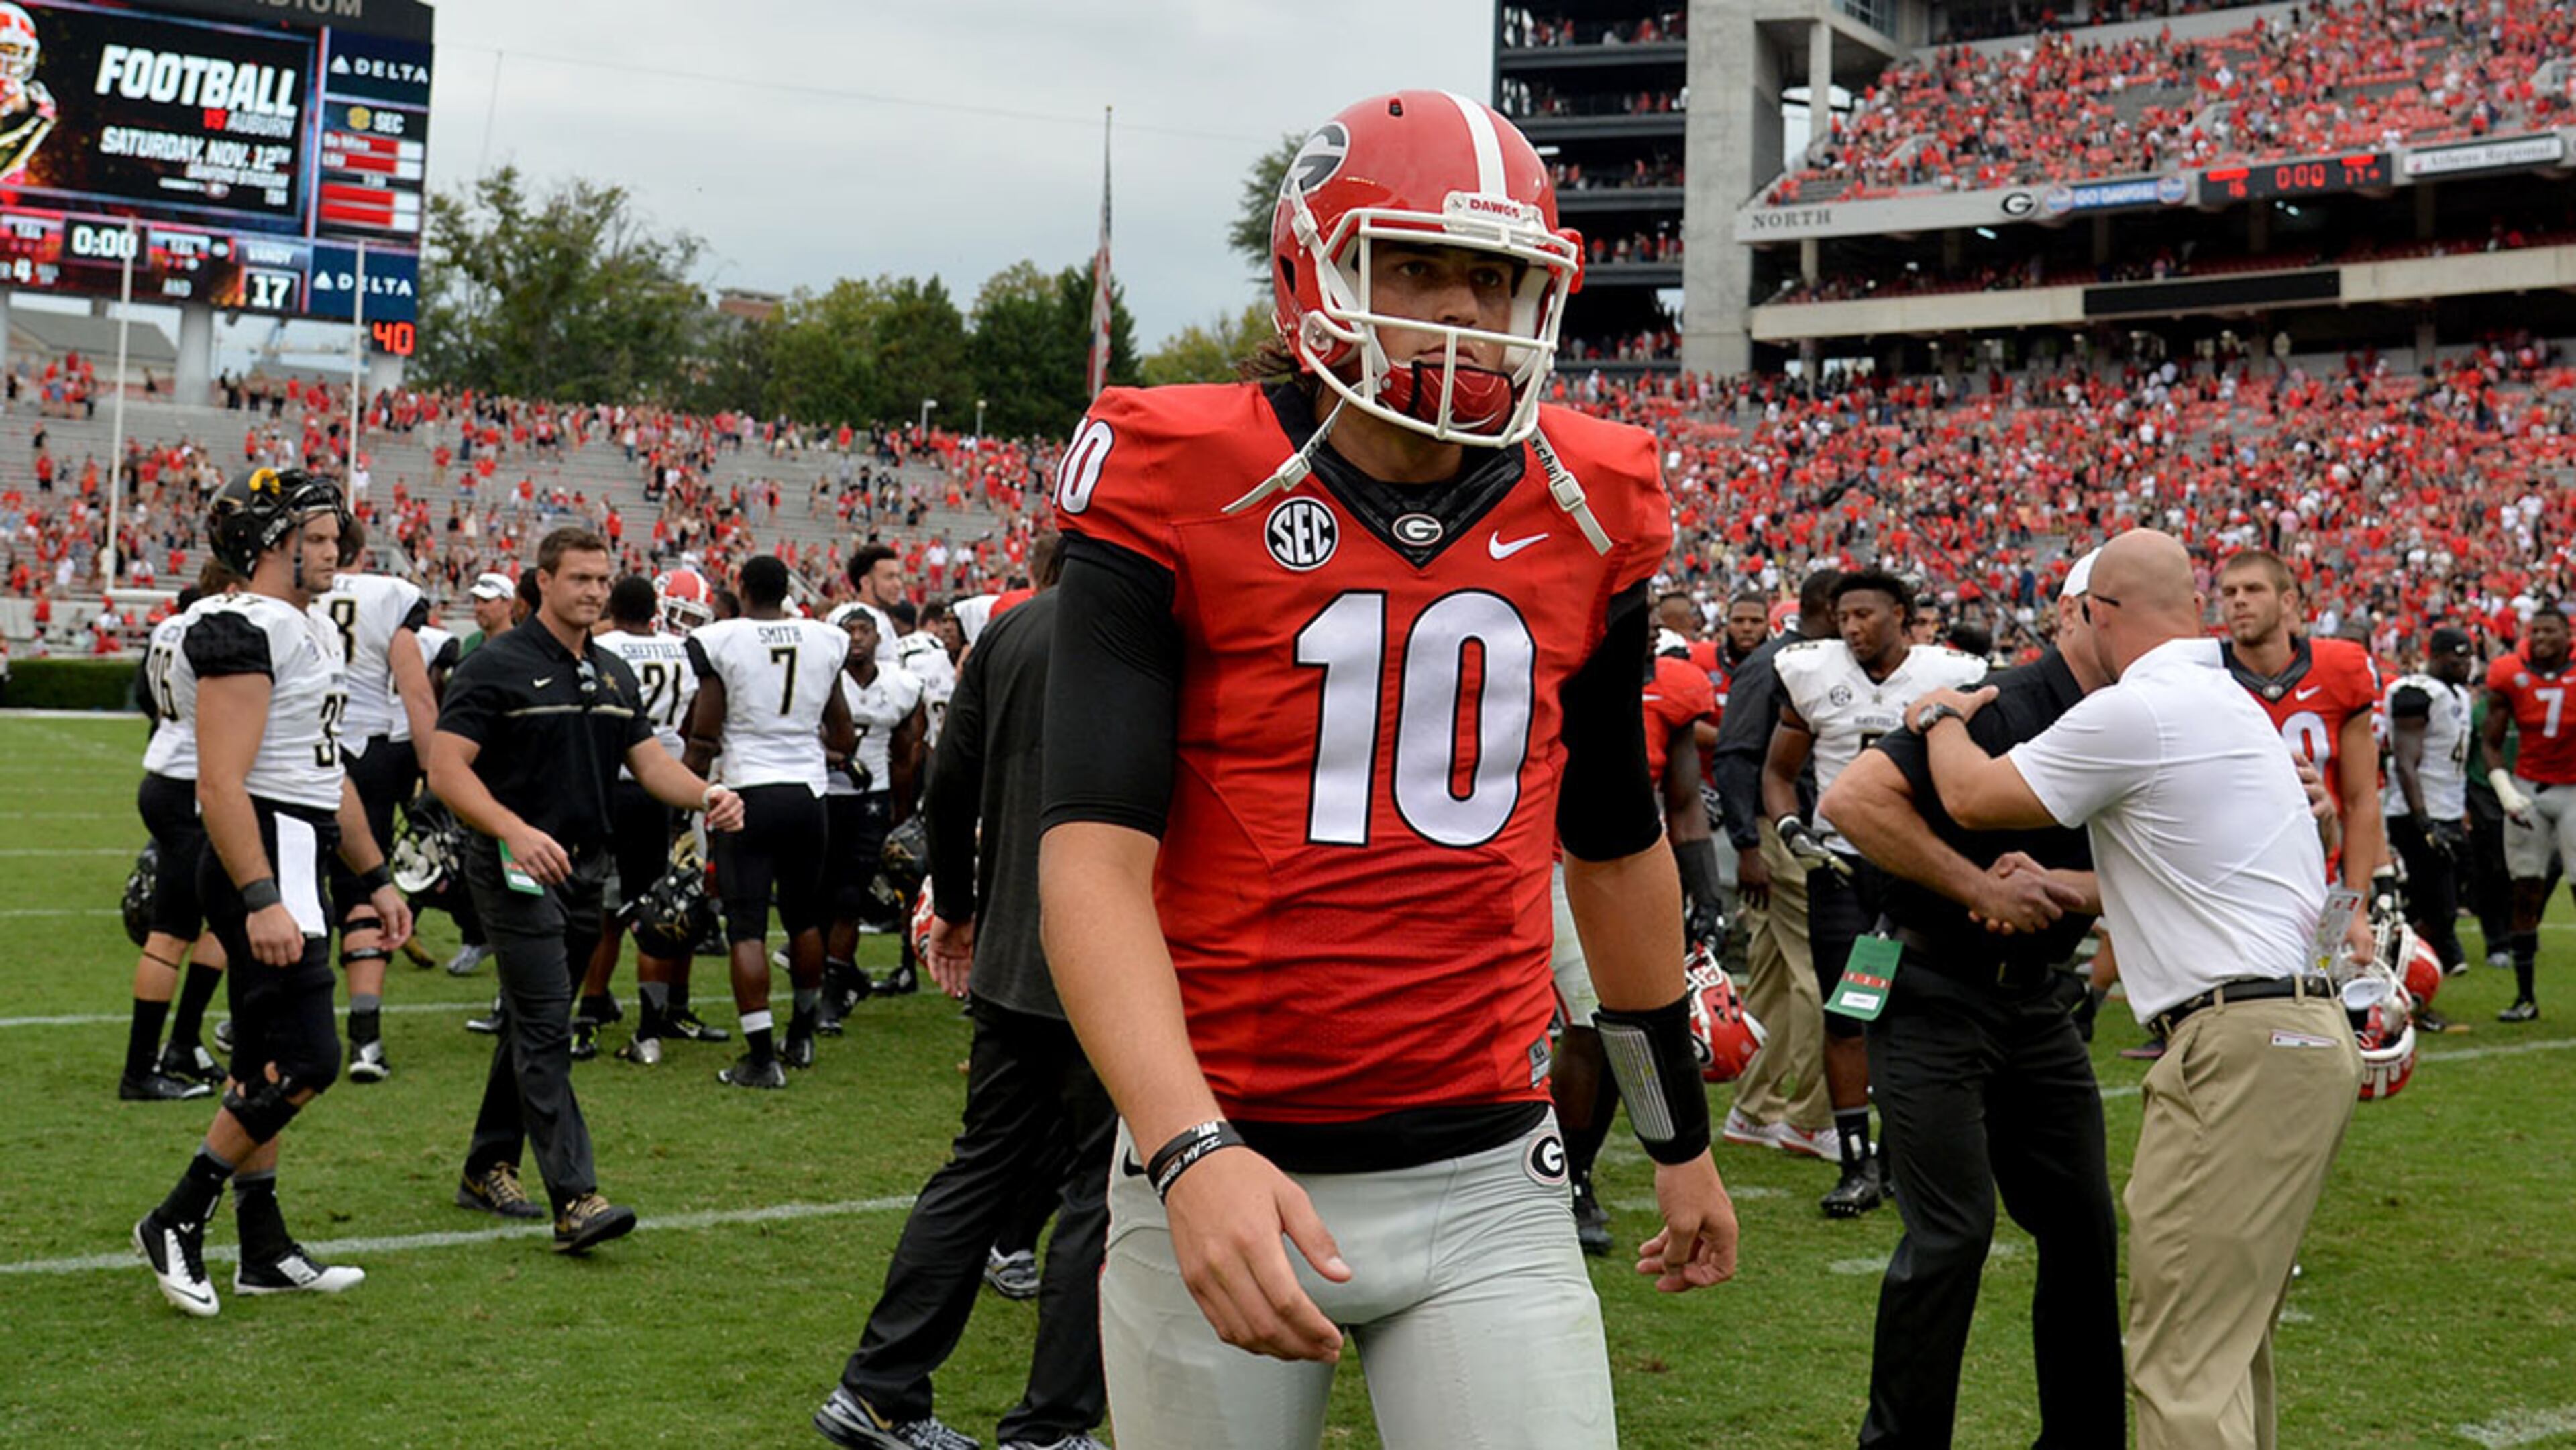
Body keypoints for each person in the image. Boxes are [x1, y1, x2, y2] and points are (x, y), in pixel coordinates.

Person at [1036, 91, 1735, 1449]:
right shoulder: (1178, 464)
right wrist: (1185, 1148)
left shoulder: (1595, 494)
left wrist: (1677, 1136)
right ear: (1315, 269)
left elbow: (1610, 839)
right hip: (1228, 1137)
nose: (1459, 313)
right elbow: (1092, 854)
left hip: (1488, 1167)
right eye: (1413, 267)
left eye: (1495, 278)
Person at [1915, 528, 2362, 1450]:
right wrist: (2069, 888)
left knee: (2181, 1358)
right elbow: (2198, 875)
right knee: (2231, 1345)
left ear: (2097, 612)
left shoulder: (2141, 708)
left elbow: (1971, 797)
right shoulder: (2231, 703)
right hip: (2302, 1028)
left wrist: (1941, 716)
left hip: (2238, 1042)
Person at [1821, 551, 2123, 1449]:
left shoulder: (2131, 718)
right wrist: (1975, 888)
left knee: (2083, 1230)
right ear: (2074, 613)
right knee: (1952, 1232)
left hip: (2034, 999)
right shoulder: (2002, 701)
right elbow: (1852, 798)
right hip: (1928, 986)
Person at [815, 540, 1113, 1450]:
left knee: (980, 1166)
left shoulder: (1013, 627)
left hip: (1018, 946)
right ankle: (1051, 1422)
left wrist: (957, 903)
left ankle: (879, 1386)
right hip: (1115, 957)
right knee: (1102, 1194)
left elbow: (949, 781)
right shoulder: (1154, 623)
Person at [133, 467, 415, 1317]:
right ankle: (178, 1214)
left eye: (335, 537)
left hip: (301, 842)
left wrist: (377, 877)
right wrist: (261, 896)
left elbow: (330, 776)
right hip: (265, 850)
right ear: (269, 544)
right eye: (318, 539)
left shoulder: (306, 629)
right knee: (309, 1060)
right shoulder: (240, 624)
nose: (336, 552)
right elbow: (220, 784)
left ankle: (261, 1245)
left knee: (262, 1059)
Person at [429, 526, 744, 1251]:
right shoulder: (496, 665)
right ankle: (576, 1197)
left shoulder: (611, 672)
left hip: (584, 866)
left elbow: (650, 762)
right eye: (580, 578)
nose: (596, 590)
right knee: (545, 1024)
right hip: (513, 866)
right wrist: (513, 829)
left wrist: (708, 793)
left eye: (604, 579)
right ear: (542, 582)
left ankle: (485, 1165)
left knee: (533, 1022)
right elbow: (447, 769)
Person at [1762, 567, 1988, 1217]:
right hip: (1839, 868)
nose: (1853, 627)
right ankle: (1858, 1160)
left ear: (1902, 613)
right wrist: (1788, 826)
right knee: (1847, 1012)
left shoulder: (1949, 674)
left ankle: (1899, 1157)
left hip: (1914, 867)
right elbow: (1780, 772)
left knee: (1916, 1008)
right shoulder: (1810, 671)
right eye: (1844, 616)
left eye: (1865, 614)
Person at [681, 553, 853, 1088]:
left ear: (741, 587)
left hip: (747, 792)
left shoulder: (724, 639)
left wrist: (681, 795)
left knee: (748, 926)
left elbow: (706, 735)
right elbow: (843, 734)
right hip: (808, 793)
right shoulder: (824, 638)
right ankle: (800, 1034)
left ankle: (760, 1057)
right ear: (785, 592)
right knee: (803, 920)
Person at [1711, 570, 1841, 1161]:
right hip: (1781, 834)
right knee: (1818, 971)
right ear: (1831, 609)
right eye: (1855, 612)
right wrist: (1747, 845)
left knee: (1770, 972)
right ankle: (1812, 1118)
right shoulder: (1777, 664)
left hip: (1781, 832)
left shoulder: (1803, 661)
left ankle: (1753, 1106)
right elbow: (1737, 755)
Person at [311, 523, 439, 1082]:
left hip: (298, 752)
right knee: (364, 887)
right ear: (363, 550)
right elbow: (416, 692)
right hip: (369, 753)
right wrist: (435, 778)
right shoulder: (388, 595)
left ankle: (271, 1023)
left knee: (292, 888)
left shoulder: (288, 594)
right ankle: (365, 1041)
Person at [120, 567, 237, 1101]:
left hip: (169, 775)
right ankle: (142, 1069)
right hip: (191, 786)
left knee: (225, 919)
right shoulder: (219, 625)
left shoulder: (174, 624)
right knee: (171, 935)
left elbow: (148, 694)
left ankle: (182, 1044)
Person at [584, 574, 703, 1064]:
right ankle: (651, 1029)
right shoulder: (682, 650)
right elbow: (695, 721)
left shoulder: (599, 647)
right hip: (662, 783)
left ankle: (588, 1017)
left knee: (600, 911)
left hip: (605, 783)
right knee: (659, 907)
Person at [2216, 550, 2386, 886]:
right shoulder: (2201, 674)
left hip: (2319, 877)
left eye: (2254, 589)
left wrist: (2357, 907)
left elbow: (2360, 800)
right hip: (2232, 883)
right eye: (2229, 592)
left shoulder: (2339, 668)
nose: (2239, 601)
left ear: (2287, 601)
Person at [818, 603, 923, 1029]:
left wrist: (900, 809)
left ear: (879, 638)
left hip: (871, 799)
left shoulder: (900, 686)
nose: (858, 637)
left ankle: (832, 991)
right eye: (850, 630)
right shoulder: (822, 678)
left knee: (849, 899)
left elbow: (904, 754)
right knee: (817, 897)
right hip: (823, 793)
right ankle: (831, 982)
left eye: (865, 630)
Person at [2479, 605, 2576, 1023]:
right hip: (2528, 788)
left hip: (2574, 788)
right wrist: (2504, 790)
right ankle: (2525, 998)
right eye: (2534, 631)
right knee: (2525, 891)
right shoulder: (2508, 672)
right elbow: (2491, 742)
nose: (2540, 639)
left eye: (2549, 631)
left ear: (2567, 634)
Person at [2383, 627, 2477, 995]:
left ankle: (2416, 975)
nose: (2466, 664)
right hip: (2416, 813)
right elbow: (2406, 762)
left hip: (2447, 808)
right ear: (2436, 656)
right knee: (2431, 908)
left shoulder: (2458, 695)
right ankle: (2397, 977)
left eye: (2469, 657)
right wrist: (2423, 820)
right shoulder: (2416, 693)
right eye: (2457, 658)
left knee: (2445, 904)